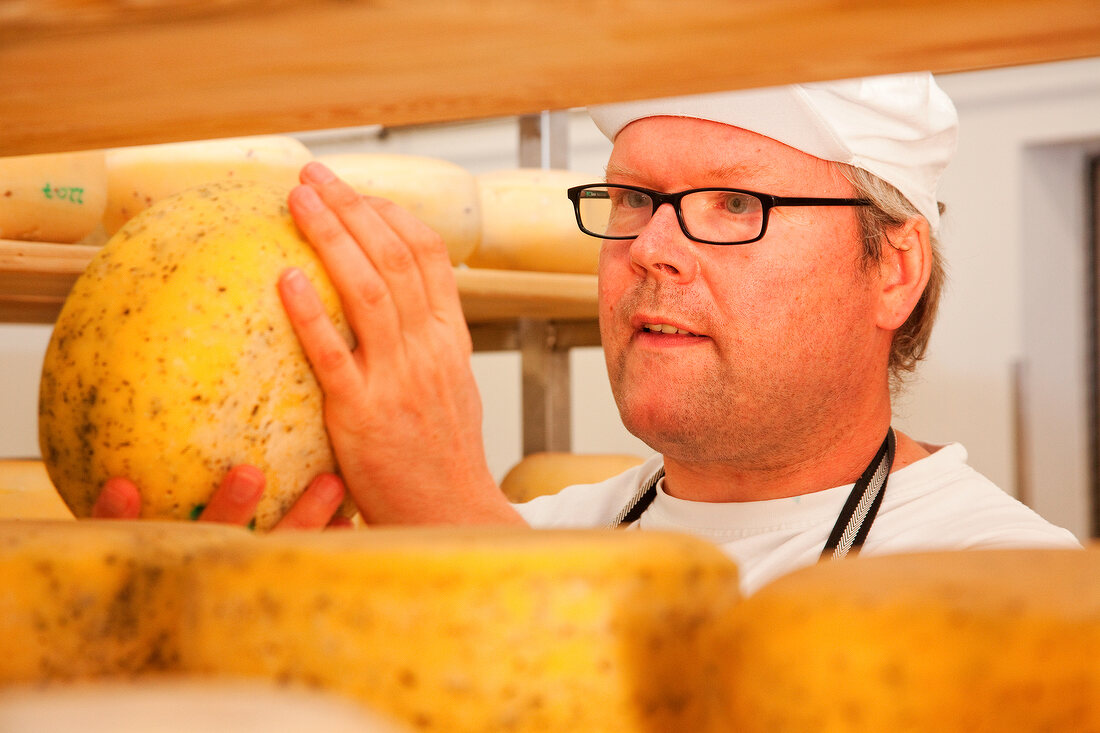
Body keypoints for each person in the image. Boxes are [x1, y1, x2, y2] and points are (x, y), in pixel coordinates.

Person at [94, 72, 1080, 594]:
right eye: (631, 198)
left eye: (731, 203)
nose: (652, 246)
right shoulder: (555, 534)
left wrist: (444, 509)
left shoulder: (1008, 585)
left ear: (892, 267)